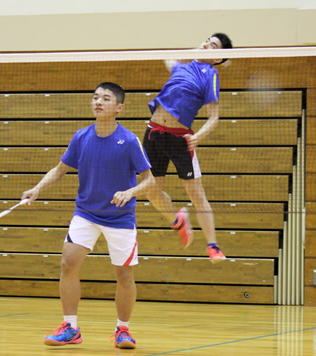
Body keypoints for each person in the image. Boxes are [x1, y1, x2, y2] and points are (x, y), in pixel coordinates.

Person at [22, 82, 154, 349]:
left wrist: (130, 192)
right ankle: (70, 328)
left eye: (105, 98)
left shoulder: (128, 141)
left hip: (120, 217)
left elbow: (150, 181)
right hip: (86, 213)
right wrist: (36, 189)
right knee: (68, 263)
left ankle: (123, 331)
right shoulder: (81, 137)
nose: (98, 102)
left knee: (124, 276)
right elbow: (60, 170)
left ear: (119, 107)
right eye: (95, 97)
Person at [143, 33, 233, 264]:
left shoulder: (210, 74)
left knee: (196, 195)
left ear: (219, 58)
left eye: (215, 46)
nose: (207, 45)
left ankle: (213, 246)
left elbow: (214, 117)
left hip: (180, 139)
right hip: (153, 135)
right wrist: (200, 48)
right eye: (207, 41)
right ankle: (178, 220)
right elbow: (167, 56)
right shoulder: (180, 68)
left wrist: (199, 137)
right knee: (151, 192)